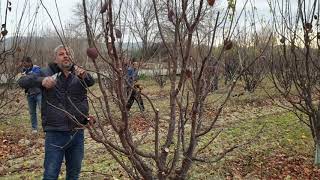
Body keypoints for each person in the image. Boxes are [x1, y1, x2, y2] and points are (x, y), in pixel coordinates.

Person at [17, 45, 95, 179]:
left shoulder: (79, 74)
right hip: (55, 133)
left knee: (74, 174)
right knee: (50, 174)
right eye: (61, 54)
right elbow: (22, 81)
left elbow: (91, 82)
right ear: (56, 59)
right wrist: (42, 81)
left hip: (77, 132)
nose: (65, 56)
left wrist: (85, 75)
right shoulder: (46, 72)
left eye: (68, 54)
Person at [19, 56, 42, 133]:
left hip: (39, 93)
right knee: (32, 112)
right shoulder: (23, 70)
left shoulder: (37, 68)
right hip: (30, 94)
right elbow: (22, 82)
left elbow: (35, 77)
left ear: (30, 62)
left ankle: (46, 127)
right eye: (22, 63)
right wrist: (27, 78)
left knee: (42, 110)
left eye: (24, 63)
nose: (23, 64)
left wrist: (27, 77)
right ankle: (34, 128)